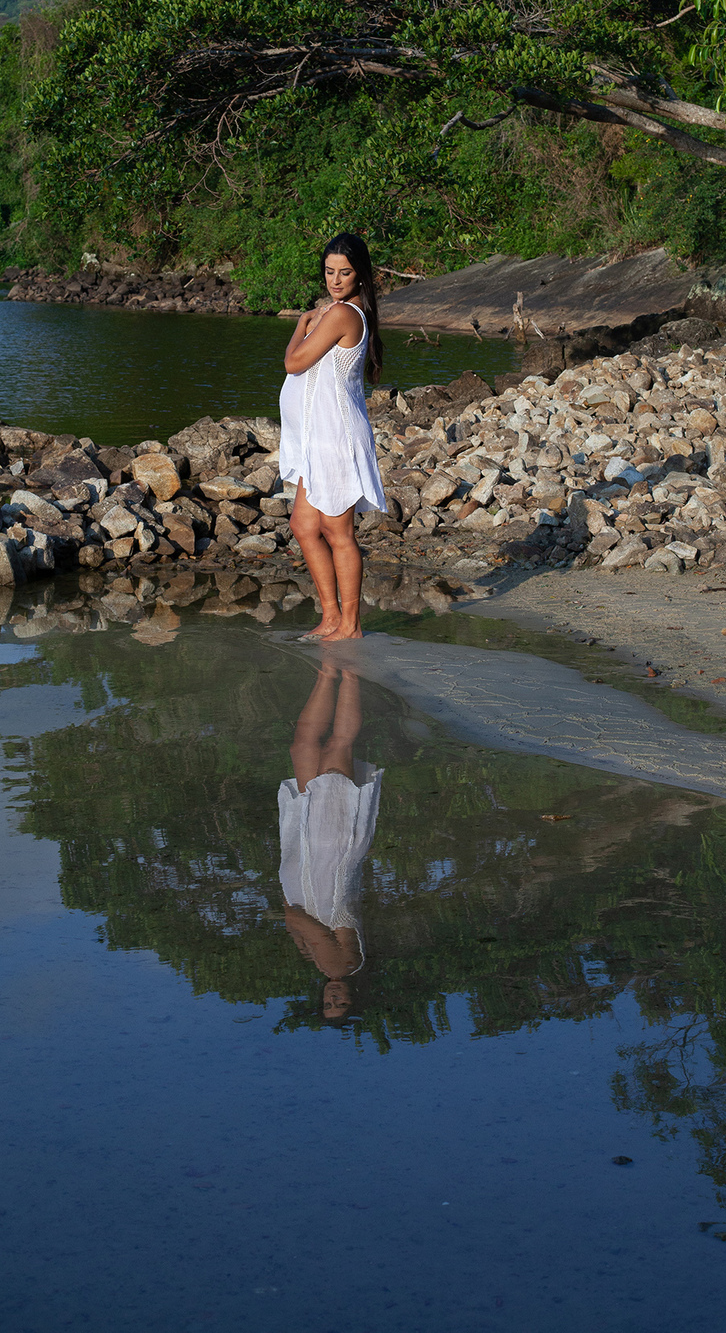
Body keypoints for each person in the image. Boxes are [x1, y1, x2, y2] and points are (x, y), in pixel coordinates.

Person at [279, 232, 387, 641]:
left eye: (344, 272)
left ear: (360, 275)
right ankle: (329, 618)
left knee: (338, 533)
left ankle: (351, 625)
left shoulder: (341, 314)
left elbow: (294, 363)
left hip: (336, 437)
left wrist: (303, 323)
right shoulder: (340, 310)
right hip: (315, 437)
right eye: (329, 272)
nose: (335, 280)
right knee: (305, 526)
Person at [278, 660, 382, 1025]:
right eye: (341, 1005)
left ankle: (329, 671)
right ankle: (350, 669)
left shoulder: (328, 964)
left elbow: (303, 921)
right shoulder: (342, 965)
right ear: (354, 998)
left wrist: (299, 930)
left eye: (328, 1005)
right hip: (330, 844)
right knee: (337, 747)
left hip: (313, 845)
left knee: (303, 744)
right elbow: (300, 919)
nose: (334, 999)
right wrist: (291, 923)